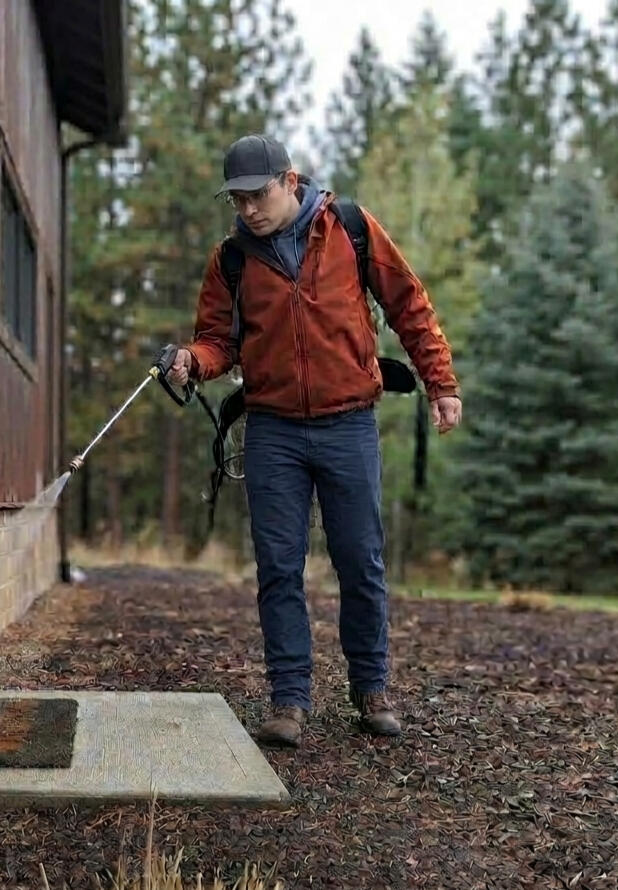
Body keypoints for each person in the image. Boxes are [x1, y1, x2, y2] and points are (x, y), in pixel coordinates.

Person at [167, 134, 462, 747]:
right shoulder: (231, 260)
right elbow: (218, 341)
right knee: (279, 567)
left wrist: (440, 383)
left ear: (290, 181)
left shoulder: (350, 229)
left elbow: (409, 304)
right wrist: (192, 362)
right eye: (238, 200)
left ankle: (371, 688)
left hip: (349, 423)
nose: (249, 209)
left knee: (360, 560)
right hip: (272, 431)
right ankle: (289, 699)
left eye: (258, 195)